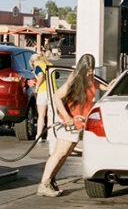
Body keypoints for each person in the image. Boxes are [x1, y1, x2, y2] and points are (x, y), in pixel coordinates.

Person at [37, 53, 97, 198]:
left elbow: (99, 86)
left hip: (78, 123)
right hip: (68, 122)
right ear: (82, 67)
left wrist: (111, 85)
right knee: (59, 153)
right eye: (88, 70)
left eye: (92, 70)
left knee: (65, 153)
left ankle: (50, 181)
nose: (90, 72)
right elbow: (57, 96)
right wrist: (67, 116)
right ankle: (44, 184)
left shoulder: (90, 78)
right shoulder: (74, 79)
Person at [29, 48, 52, 143]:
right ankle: (49, 136)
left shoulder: (38, 66)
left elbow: (41, 75)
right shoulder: (50, 65)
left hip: (43, 91)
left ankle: (39, 135)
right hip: (52, 91)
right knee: (50, 115)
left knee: (41, 115)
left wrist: (37, 87)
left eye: (32, 63)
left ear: (34, 61)